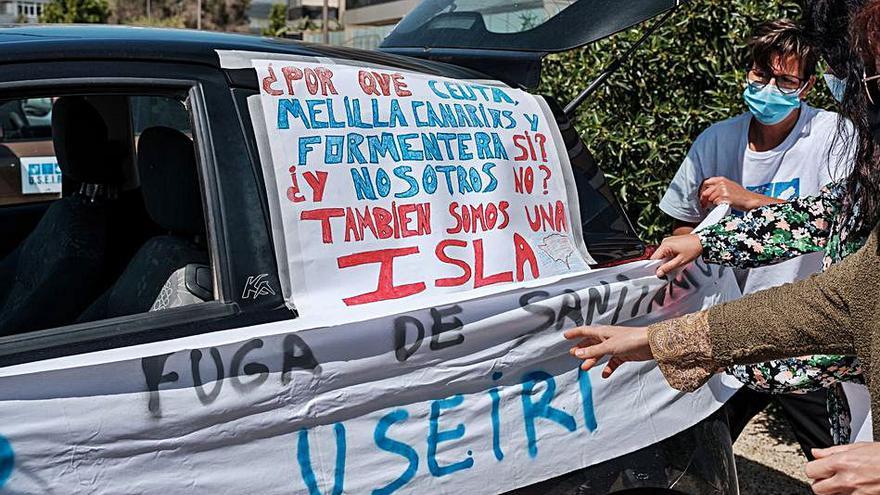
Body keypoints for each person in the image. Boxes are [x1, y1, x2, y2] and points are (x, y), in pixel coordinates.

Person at [564, 3, 880, 489]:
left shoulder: (836, 136)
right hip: (775, 335)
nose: (858, 95)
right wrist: (661, 330)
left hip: (809, 351)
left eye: (863, 79)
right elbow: (823, 253)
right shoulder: (725, 140)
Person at [652, 0, 871, 449]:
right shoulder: (716, 139)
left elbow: (835, 222)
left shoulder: (837, 137)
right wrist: (699, 244)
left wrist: (749, 202)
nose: (770, 88)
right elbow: (684, 227)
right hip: (738, 323)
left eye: (785, 80)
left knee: (835, 459)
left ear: (808, 86)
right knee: (695, 447)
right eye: (761, 75)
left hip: (805, 334)